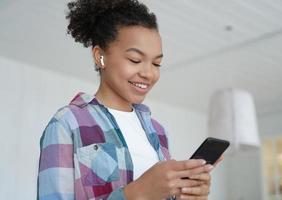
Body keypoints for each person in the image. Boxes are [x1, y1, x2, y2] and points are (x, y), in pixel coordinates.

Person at [37, 0, 220, 199]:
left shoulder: (159, 132)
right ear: (100, 57)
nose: (149, 73)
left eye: (157, 63)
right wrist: (137, 192)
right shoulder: (67, 123)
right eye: (135, 60)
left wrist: (191, 195)